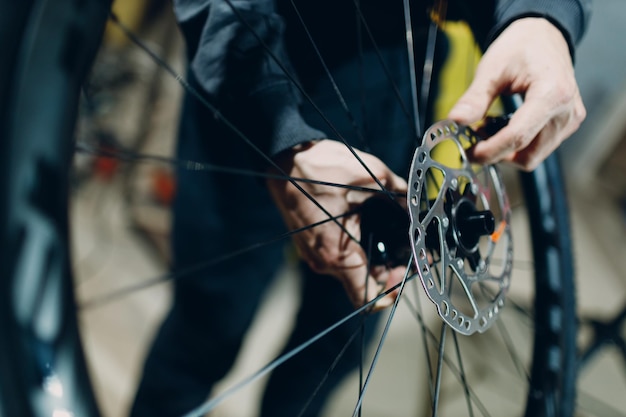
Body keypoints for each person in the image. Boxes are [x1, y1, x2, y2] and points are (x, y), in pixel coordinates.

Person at [130, 1, 591, 416]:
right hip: (261, 46)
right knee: (208, 323)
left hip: (400, 65)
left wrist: (543, 16)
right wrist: (279, 136)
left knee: (341, 340)